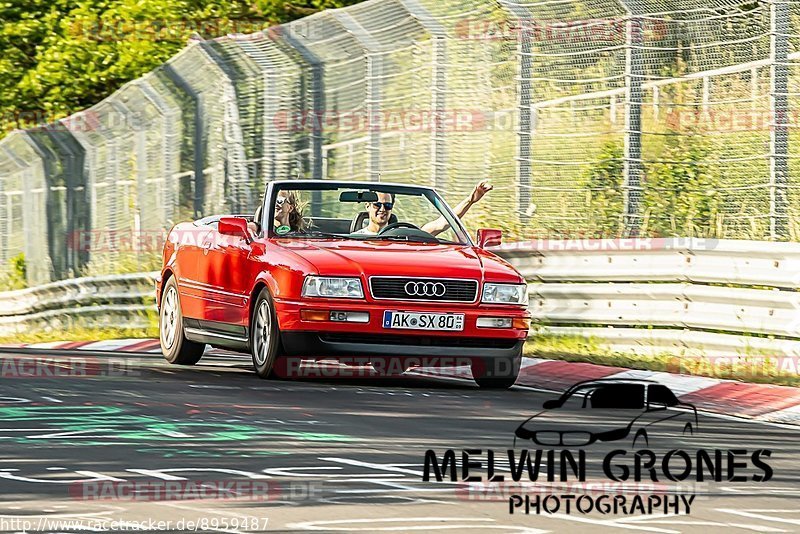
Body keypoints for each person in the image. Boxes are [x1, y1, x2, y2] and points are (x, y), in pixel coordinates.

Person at [353, 180, 493, 237]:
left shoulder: (404, 236)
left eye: (388, 205)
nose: (383, 209)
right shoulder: (356, 240)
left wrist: (470, 200)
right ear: (367, 205)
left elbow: (442, 223)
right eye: (378, 204)